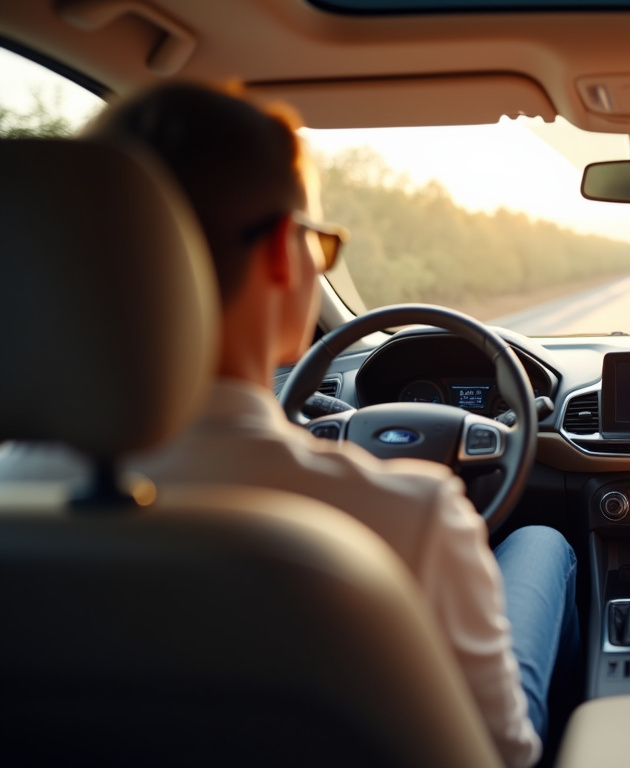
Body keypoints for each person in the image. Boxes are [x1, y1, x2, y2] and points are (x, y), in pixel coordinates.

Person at [0, 82, 575, 768]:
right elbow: (502, 754)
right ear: (282, 250)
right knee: (542, 541)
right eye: (319, 242)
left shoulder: (16, 508)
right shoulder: (412, 516)